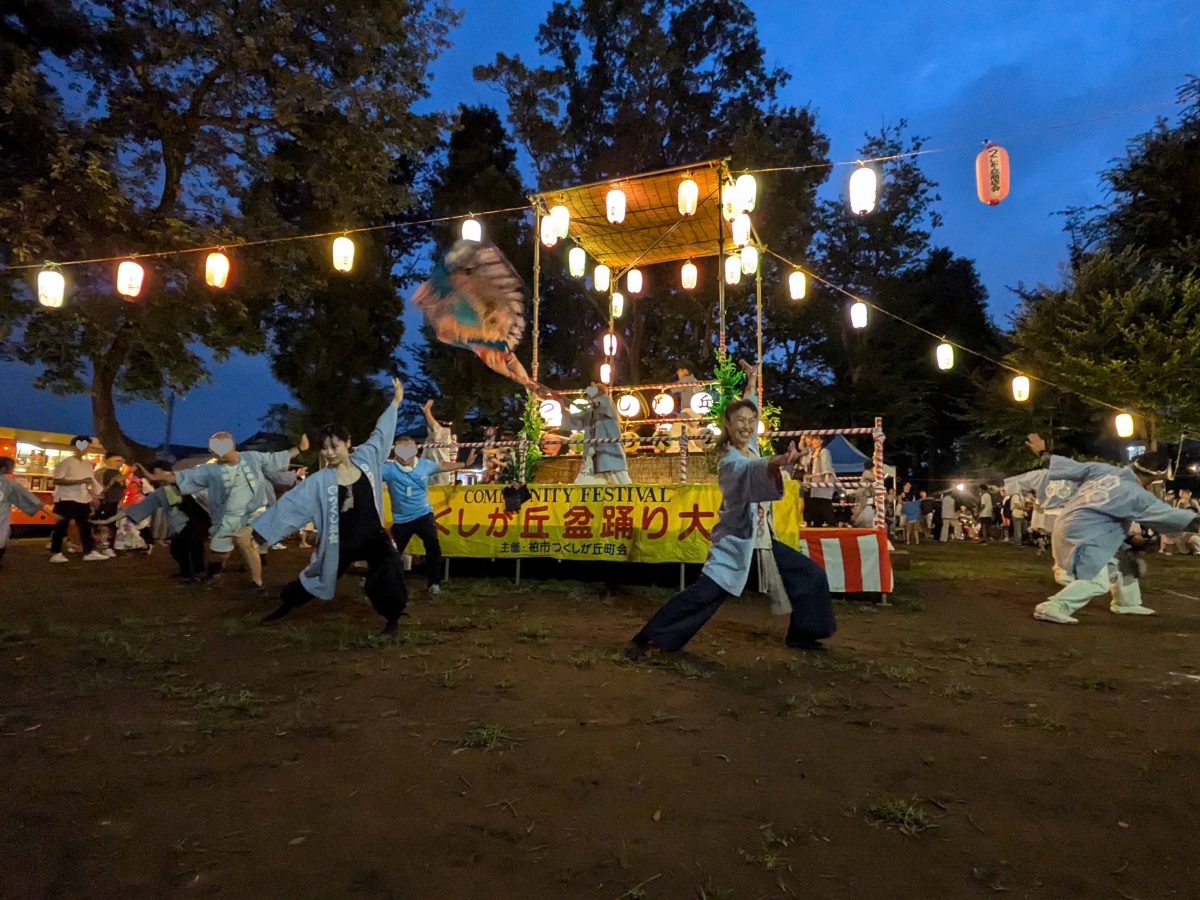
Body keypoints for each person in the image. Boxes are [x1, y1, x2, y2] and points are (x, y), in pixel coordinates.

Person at [625, 363, 835, 659]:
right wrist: (778, 461)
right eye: (741, 421)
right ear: (727, 424)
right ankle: (645, 638)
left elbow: (752, 412)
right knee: (703, 596)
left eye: (751, 421)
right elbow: (749, 471)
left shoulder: (750, 447)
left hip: (763, 542)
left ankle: (803, 634)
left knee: (810, 576)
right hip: (735, 543)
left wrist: (751, 383)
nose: (748, 426)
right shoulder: (729, 458)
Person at [254, 379, 407, 633]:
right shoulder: (320, 481)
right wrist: (262, 530)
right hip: (341, 542)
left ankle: (393, 618)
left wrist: (394, 403)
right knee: (316, 577)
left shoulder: (368, 458)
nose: (329, 453)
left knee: (389, 569)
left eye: (334, 446)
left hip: (373, 537)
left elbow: (381, 434)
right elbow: (293, 504)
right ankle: (287, 605)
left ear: (348, 443)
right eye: (324, 448)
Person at [1024, 433, 1200, 625]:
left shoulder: (1103, 469)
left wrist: (1042, 451)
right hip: (1085, 536)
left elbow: (1060, 466)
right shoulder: (1138, 496)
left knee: (1124, 562)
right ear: (1158, 473)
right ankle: (1053, 606)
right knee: (1095, 581)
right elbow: (1180, 519)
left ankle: (1126, 602)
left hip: (1069, 526)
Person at [148, 431, 307, 591]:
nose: (219, 453)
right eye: (215, 450)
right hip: (227, 517)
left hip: (254, 513)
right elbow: (188, 476)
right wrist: (160, 478)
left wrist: (300, 448)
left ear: (232, 445)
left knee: (246, 543)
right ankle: (212, 574)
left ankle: (256, 582)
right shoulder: (211, 470)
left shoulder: (252, 458)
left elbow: (275, 459)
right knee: (219, 552)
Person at [382, 436, 476, 596]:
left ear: (415, 451)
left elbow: (443, 466)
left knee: (433, 547)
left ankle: (434, 582)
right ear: (395, 452)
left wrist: (465, 464)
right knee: (392, 553)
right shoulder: (388, 470)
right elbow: (369, 473)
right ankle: (387, 583)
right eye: (400, 449)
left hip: (423, 514)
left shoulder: (424, 465)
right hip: (401, 519)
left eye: (408, 449)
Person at [559, 383, 631, 485]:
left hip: (610, 453)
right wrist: (562, 406)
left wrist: (589, 390)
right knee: (582, 485)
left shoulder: (608, 403)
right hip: (592, 455)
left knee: (623, 484)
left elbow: (600, 402)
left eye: (594, 392)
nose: (590, 396)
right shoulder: (589, 412)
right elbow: (574, 421)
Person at [49, 435, 106, 563]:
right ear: (75, 447)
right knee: (62, 525)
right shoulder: (66, 462)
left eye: (88, 447)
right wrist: (79, 481)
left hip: (82, 498)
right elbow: (57, 481)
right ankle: (56, 552)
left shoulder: (87, 464)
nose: (86, 449)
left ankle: (89, 551)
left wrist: (93, 496)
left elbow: (89, 482)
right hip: (66, 498)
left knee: (85, 526)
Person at [2, 456, 54, 569]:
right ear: (5, 468)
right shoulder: (9, 484)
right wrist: (48, 510)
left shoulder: (9, 484)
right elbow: (30, 499)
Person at [420, 399, 457, 486]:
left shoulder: (445, 432)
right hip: (428, 471)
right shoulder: (428, 440)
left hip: (440, 471)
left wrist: (427, 412)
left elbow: (435, 426)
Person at [804, 435, 837, 527]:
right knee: (814, 502)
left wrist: (826, 478)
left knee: (824, 502)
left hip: (822, 480)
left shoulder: (824, 452)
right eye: (813, 439)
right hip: (813, 481)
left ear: (821, 441)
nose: (814, 442)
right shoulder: (811, 453)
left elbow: (826, 465)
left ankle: (830, 522)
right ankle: (817, 521)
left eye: (816, 439)